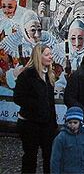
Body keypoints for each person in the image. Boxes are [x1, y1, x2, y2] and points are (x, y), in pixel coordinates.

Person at [13, 44, 58, 173]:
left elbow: (51, 101)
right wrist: (37, 105)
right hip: (29, 123)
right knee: (30, 157)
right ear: (39, 56)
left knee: (49, 156)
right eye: (47, 54)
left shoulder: (49, 74)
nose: (51, 57)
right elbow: (18, 97)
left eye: (51, 54)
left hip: (47, 124)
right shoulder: (27, 75)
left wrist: (53, 123)